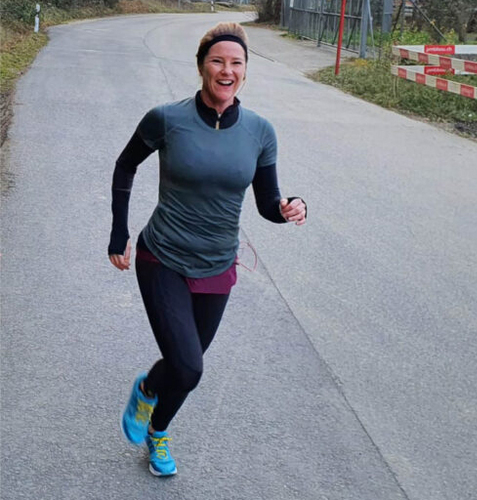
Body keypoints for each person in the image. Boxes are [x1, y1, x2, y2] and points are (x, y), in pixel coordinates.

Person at [109, 22, 307, 477]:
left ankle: (157, 427)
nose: (227, 70)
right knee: (189, 366)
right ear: (201, 66)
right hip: (162, 256)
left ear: (245, 72)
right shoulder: (167, 119)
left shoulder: (260, 131)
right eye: (218, 60)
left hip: (218, 265)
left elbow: (266, 204)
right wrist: (118, 231)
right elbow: (125, 165)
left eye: (236, 63)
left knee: (184, 368)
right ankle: (149, 395)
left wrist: (290, 207)